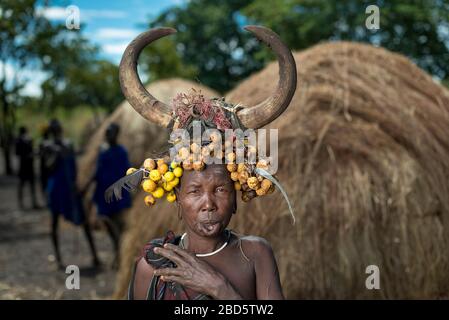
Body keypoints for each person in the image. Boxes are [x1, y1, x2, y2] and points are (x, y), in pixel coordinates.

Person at [107, 25, 297, 299]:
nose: (208, 203)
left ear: (235, 199)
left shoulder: (256, 255)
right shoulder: (153, 266)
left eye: (220, 189)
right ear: (178, 199)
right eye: (195, 191)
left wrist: (219, 288)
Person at [44, 119, 100, 269]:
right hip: (56, 189)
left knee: (83, 221)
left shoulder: (68, 144)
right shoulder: (48, 146)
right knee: (54, 223)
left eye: (57, 128)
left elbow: (73, 166)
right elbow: (47, 169)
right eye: (53, 129)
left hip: (70, 188)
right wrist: (56, 155)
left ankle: (95, 256)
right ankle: (58, 259)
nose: (56, 131)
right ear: (50, 131)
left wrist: (77, 185)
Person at [84, 123, 131, 267]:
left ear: (116, 134)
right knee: (106, 221)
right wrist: (86, 187)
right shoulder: (103, 151)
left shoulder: (121, 152)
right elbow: (97, 171)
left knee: (117, 223)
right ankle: (117, 250)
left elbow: (126, 173)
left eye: (110, 132)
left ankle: (120, 254)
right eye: (107, 132)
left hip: (117, 193)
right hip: (103, 192)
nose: (107, 135)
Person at [15, 126, 38, 209]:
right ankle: (23, 204)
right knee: (23, 185)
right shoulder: (20, 140)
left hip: (26, 166)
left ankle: (31, 203)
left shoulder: (28, 140)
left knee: (29, 185)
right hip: (24, 166)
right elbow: (17, 153)